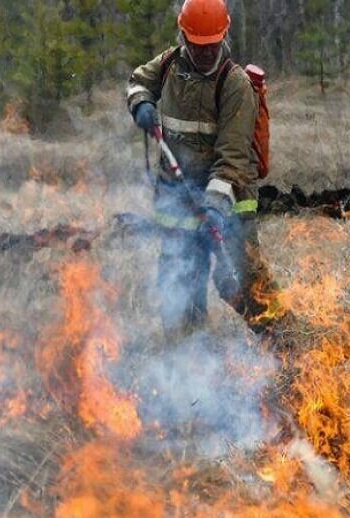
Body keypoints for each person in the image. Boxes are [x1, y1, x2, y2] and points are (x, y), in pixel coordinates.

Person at [126, 0, 279, 337]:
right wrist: (142, 105)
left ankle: (286, 343)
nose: (206, 53)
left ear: (223, 36)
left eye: (212, 46)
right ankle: (188, 361)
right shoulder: (168, 63)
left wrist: (214, 206)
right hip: (177, 198)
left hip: (229, 198)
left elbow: (233, 158)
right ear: (184, 35)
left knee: (240, 281)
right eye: (198, 46)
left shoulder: (235, 84)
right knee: (180, 280)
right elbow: (137, 82)